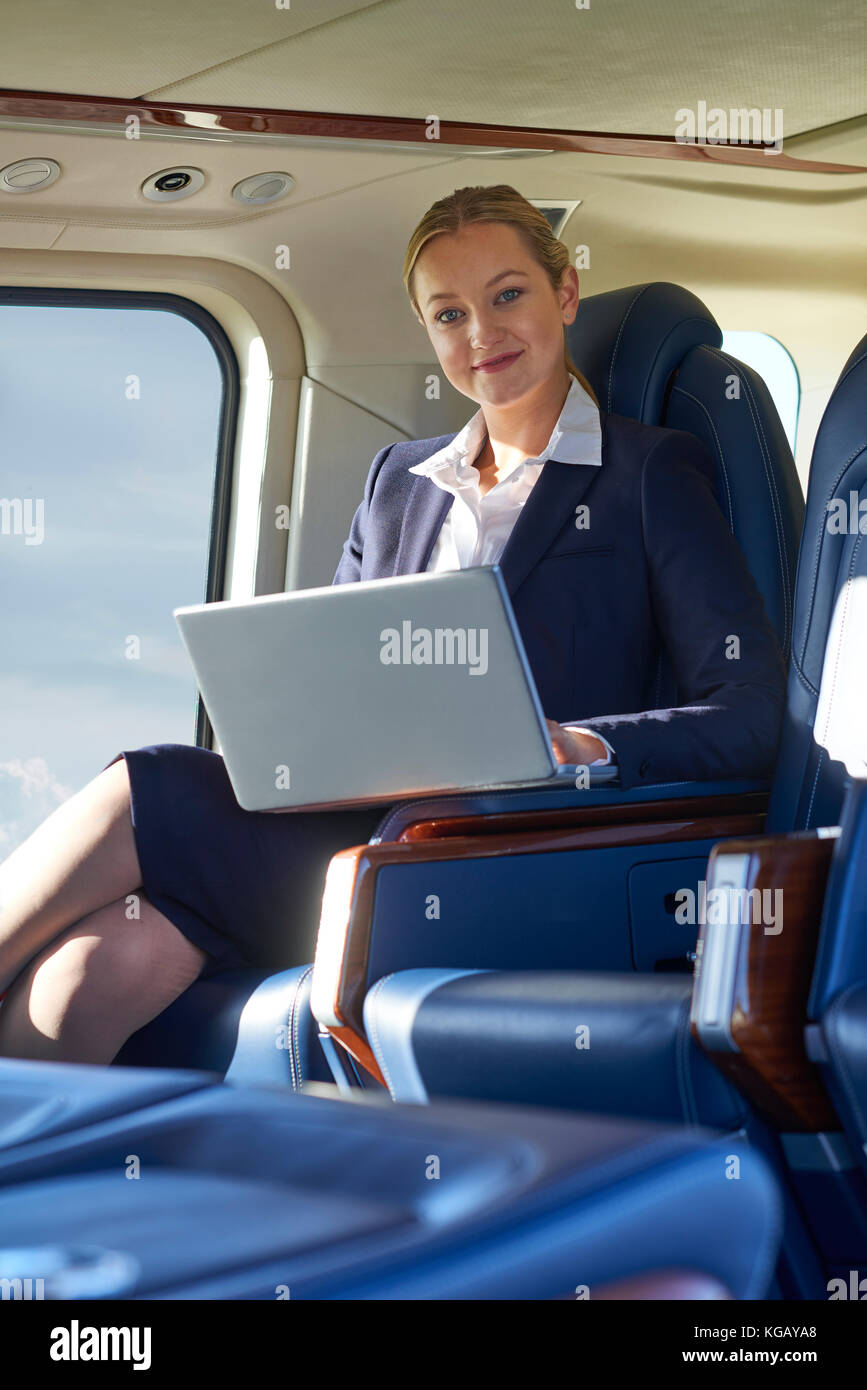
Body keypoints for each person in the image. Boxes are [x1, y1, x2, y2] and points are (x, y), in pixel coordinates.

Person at [0, 184, 786, 1065]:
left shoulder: (647, 475)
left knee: (146, 788)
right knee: (96, 967)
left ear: (564, 293)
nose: (481, 334)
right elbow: (333, 670)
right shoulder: (398, 479)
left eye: (507, 294)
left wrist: (581, 745)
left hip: (494, 849)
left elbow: (751, 714)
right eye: (449, 313)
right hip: (347, 829)